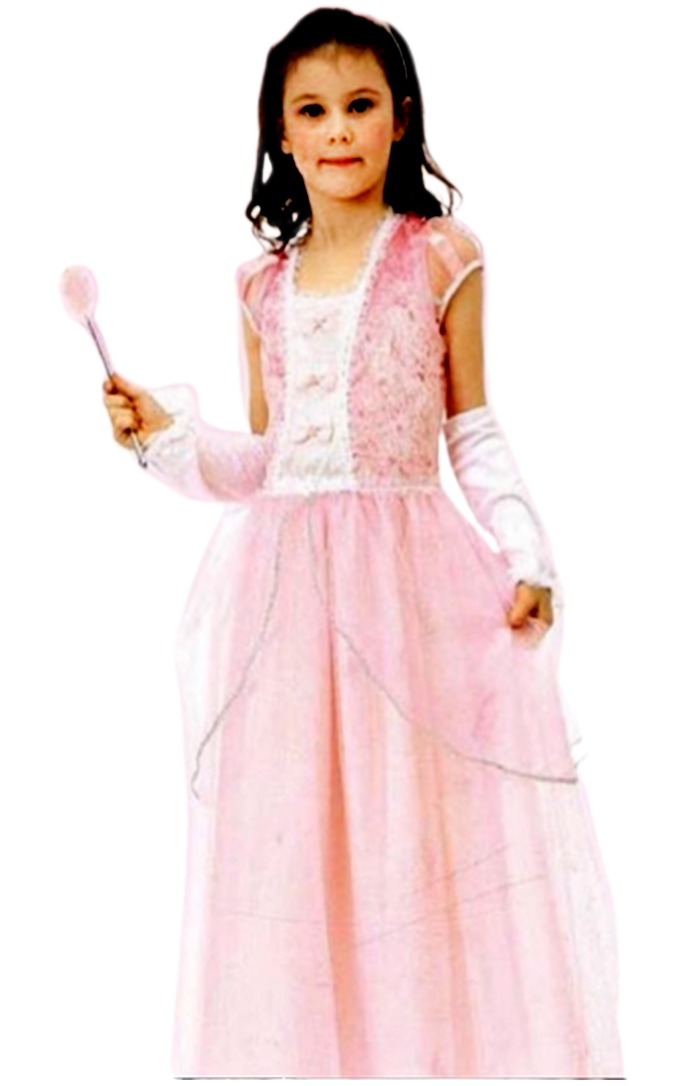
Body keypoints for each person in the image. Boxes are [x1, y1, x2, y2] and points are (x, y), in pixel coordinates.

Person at [102, 8, 623, 1078]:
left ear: (399, 118)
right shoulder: (262, 285)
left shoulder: (439, 258)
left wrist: (527, 552)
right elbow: (269, 460)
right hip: (289, 605)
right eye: (312, 111)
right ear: (280, 133)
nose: (337, 129)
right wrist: (161, 435)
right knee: (307, 841)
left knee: (413, 836)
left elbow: (470, 427)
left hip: (408, 591)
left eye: (359, 105)